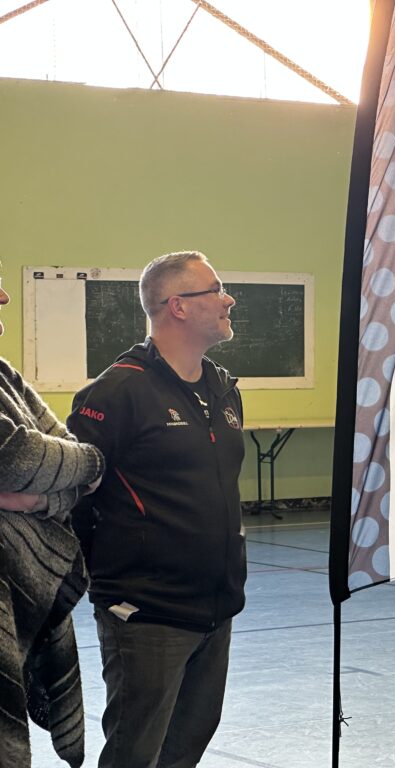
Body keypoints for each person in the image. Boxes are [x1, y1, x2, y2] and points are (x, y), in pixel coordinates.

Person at [67, 251, 246, 768]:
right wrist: (116, 585)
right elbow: (74, 498)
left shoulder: (223, 388)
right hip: (146, 615)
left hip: (217, 606)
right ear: (178, 307)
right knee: (134, 754)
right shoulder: (117, 391)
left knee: (186, 748)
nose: (228, 298)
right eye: (215, 289)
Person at [0, 269, 105, 767]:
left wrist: (37, 502)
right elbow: (18, 455)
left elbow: (74, 454)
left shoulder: (5, 376)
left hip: (22, 588)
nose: (3, 297)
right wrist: (75, 469)